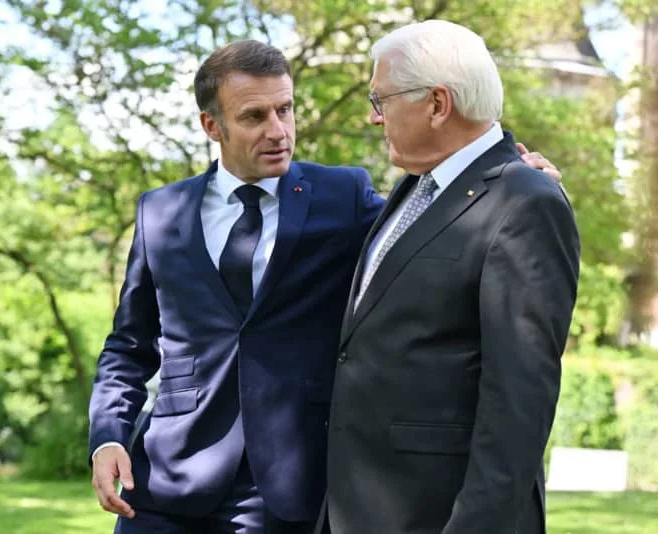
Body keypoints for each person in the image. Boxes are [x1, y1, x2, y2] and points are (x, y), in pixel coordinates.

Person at [88, 39, 561, 534]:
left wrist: (512, 186)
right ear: (212, 126)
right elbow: (129, 344)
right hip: (164, 483)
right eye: (255, 117)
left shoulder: (344, 196)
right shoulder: (159, 212)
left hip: (288, 488)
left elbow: (431, 239)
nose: (278, 131)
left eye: (285, 110)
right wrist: (107, 435)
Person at [319, 21, 581, 534]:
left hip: (442, 517)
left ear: (438, 104)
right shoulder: (413, 191)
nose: (373, 118)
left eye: (381, 99)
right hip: (360, 510)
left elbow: (518, 401)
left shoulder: (525, 202)